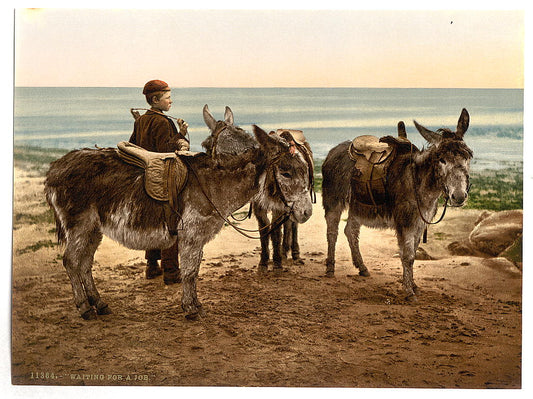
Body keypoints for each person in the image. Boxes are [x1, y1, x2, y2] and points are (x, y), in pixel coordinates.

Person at [129, 79, 189, 284]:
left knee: (155, 222)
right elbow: (168, 151)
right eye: (167, 97)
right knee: (170, 223)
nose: (171, 101)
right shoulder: (163, 122)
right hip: (164, 180)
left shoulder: (142, 121)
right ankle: (171, 271)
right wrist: (181, 134)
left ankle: (152, 266)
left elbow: (133, 145)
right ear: (155, 100)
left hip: (147, 179)